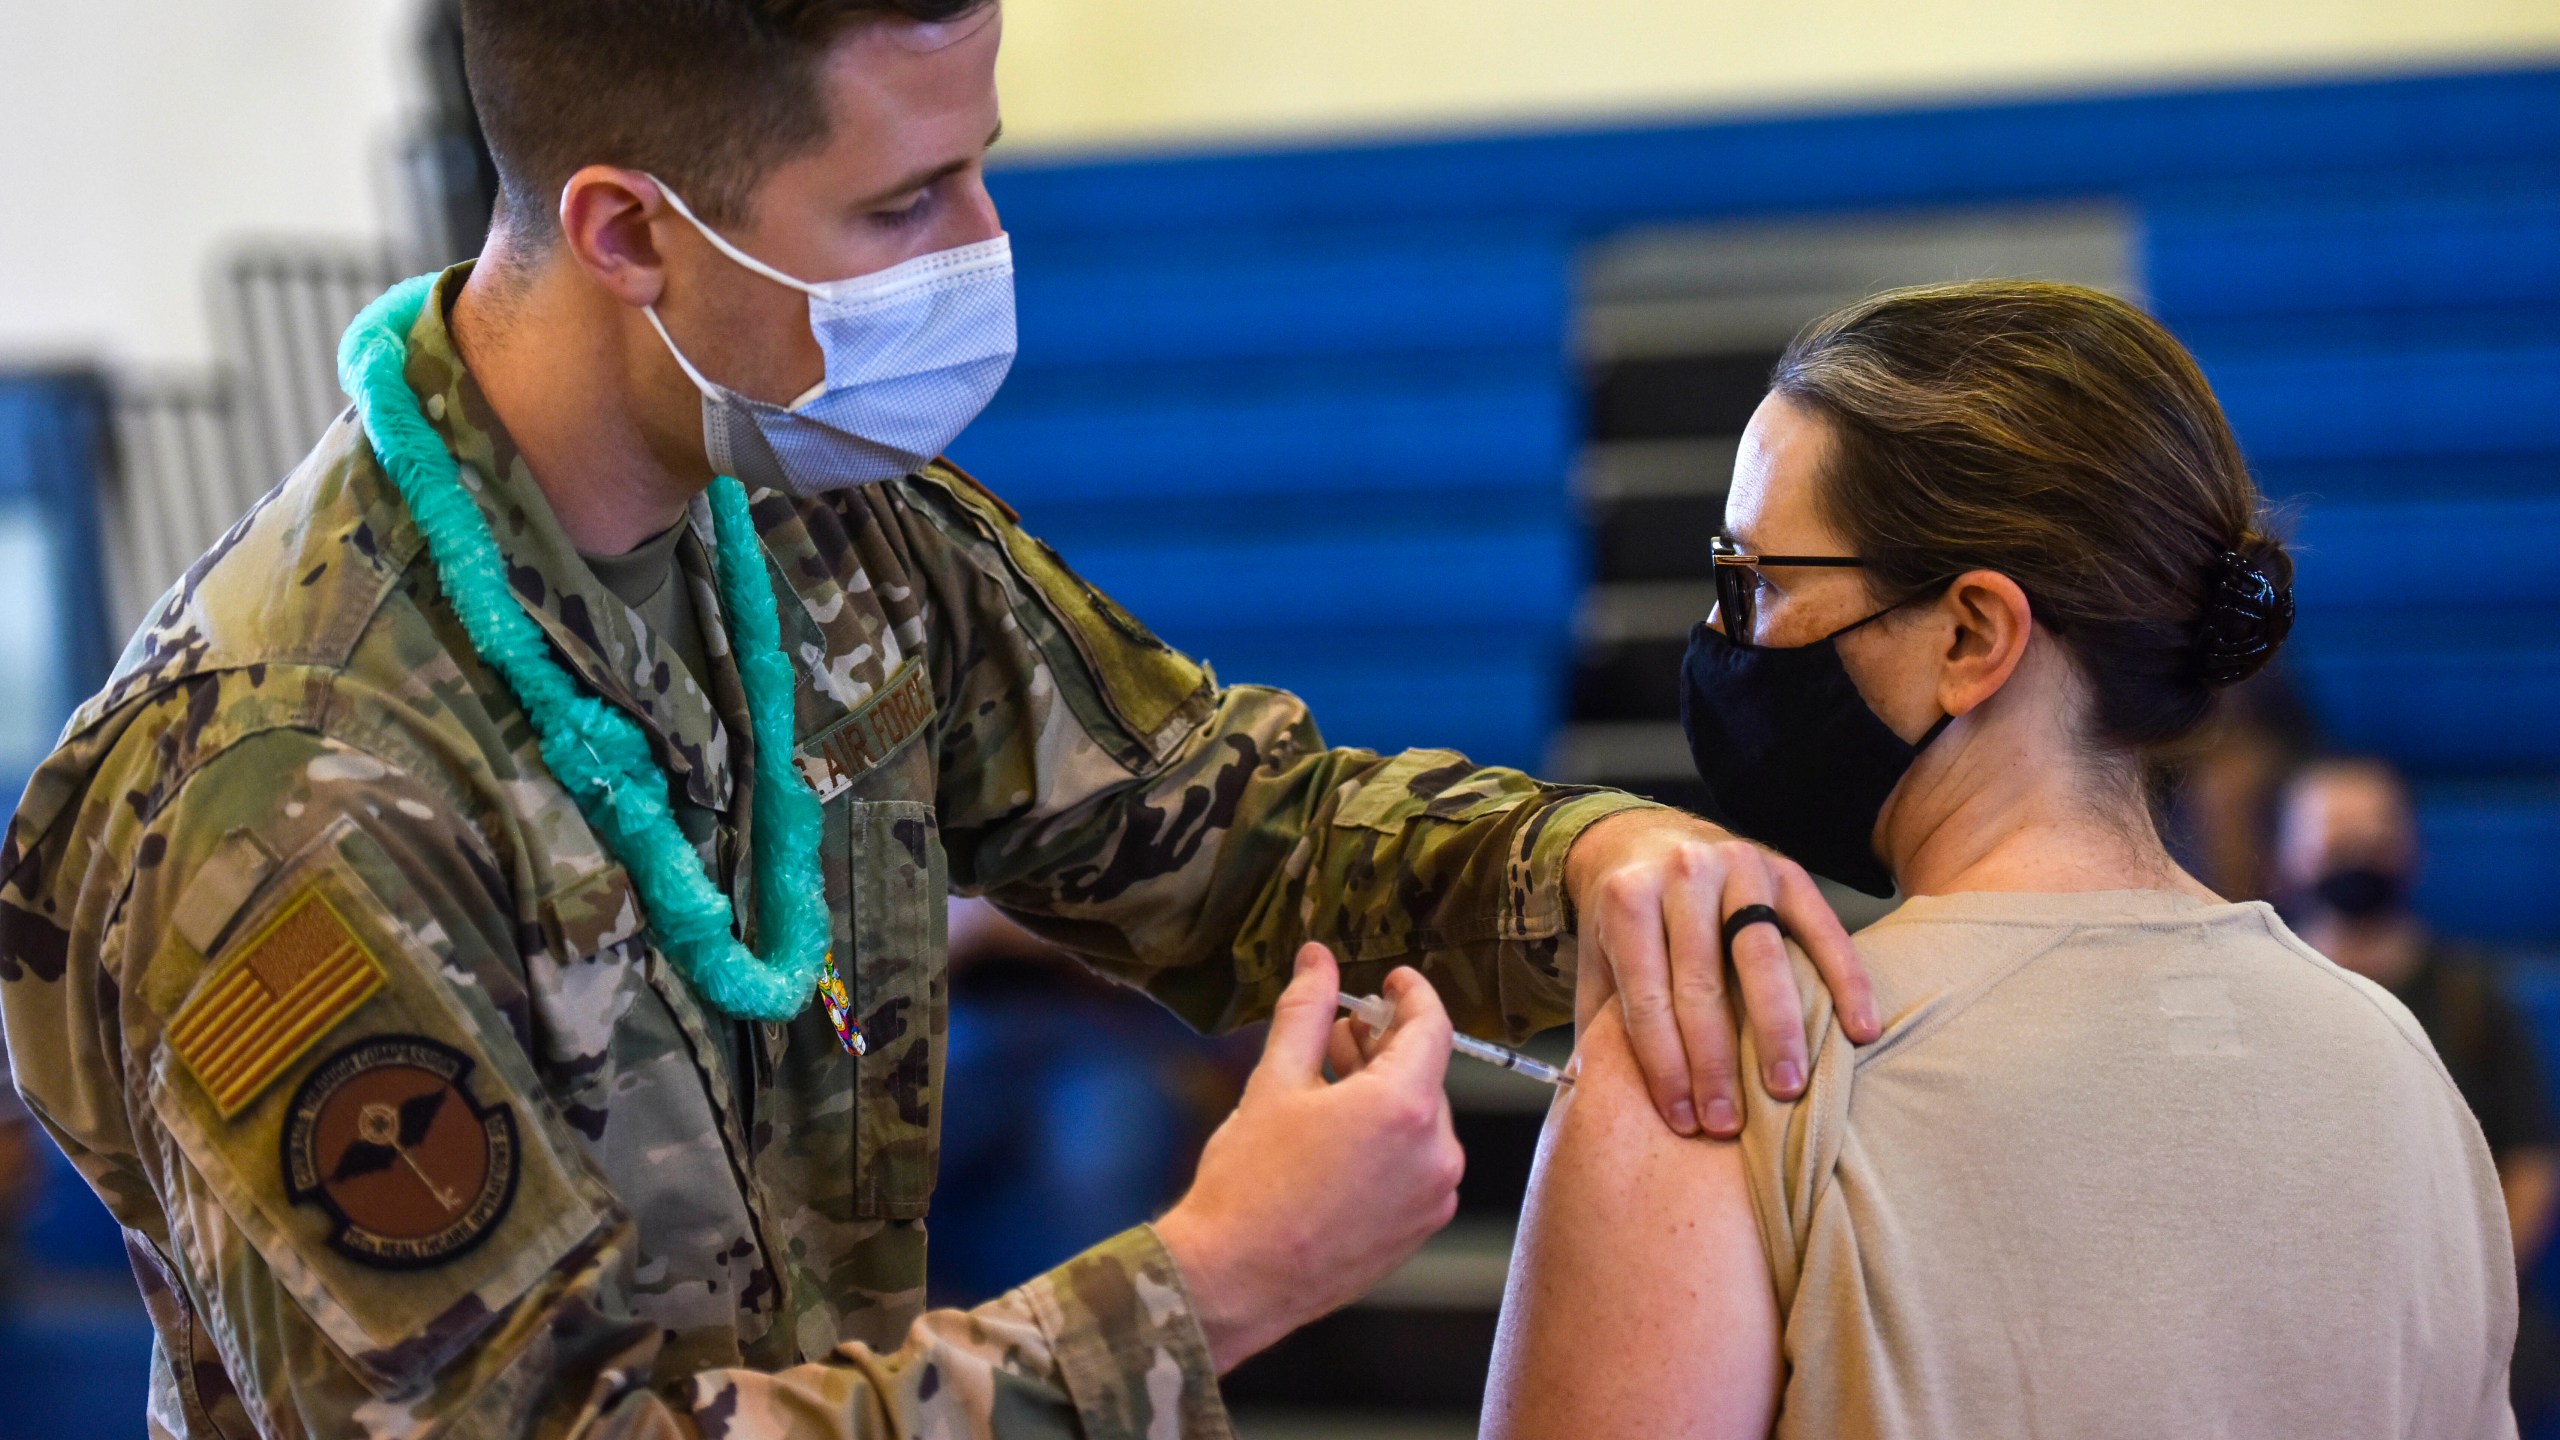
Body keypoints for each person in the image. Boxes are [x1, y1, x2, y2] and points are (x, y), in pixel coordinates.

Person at [0, 3, 1878, 1436]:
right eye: (903, 200)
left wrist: (1592, 860)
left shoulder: (816, 518)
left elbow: (1228, 821)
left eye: (977, 165)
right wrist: (1204, 1291)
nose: (980, 245)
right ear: (628, 234)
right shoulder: (278, 784)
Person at [1482, 281, 2518, 1439]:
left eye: (1756, 583)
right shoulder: (2395, 1068)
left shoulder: (1716, 1070)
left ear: (1971, 636)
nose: (1729, 637)